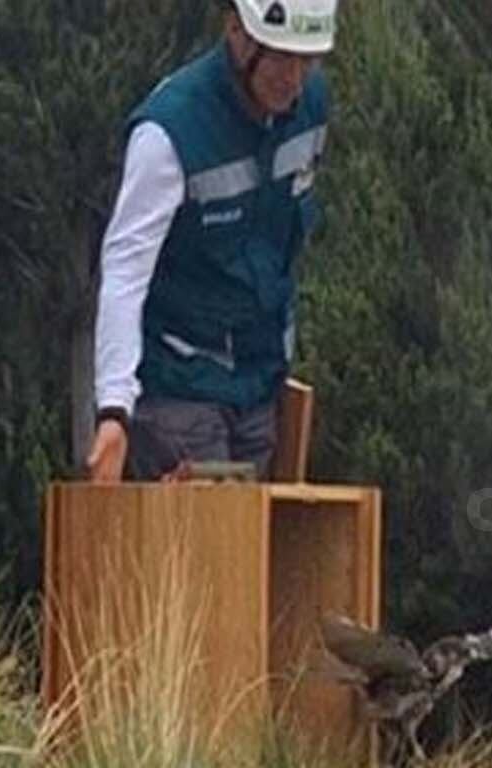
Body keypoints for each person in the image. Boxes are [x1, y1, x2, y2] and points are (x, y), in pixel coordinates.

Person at [87, 0, 337, 482]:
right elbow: (125, 268)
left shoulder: (311, 106)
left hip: (260, 382)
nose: (294, 78)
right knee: (209, 527)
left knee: (257, 529)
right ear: (237, 32)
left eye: (307, 60)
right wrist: (114, 409)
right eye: (281, 57)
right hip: (180, 386)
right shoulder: (169, 131)